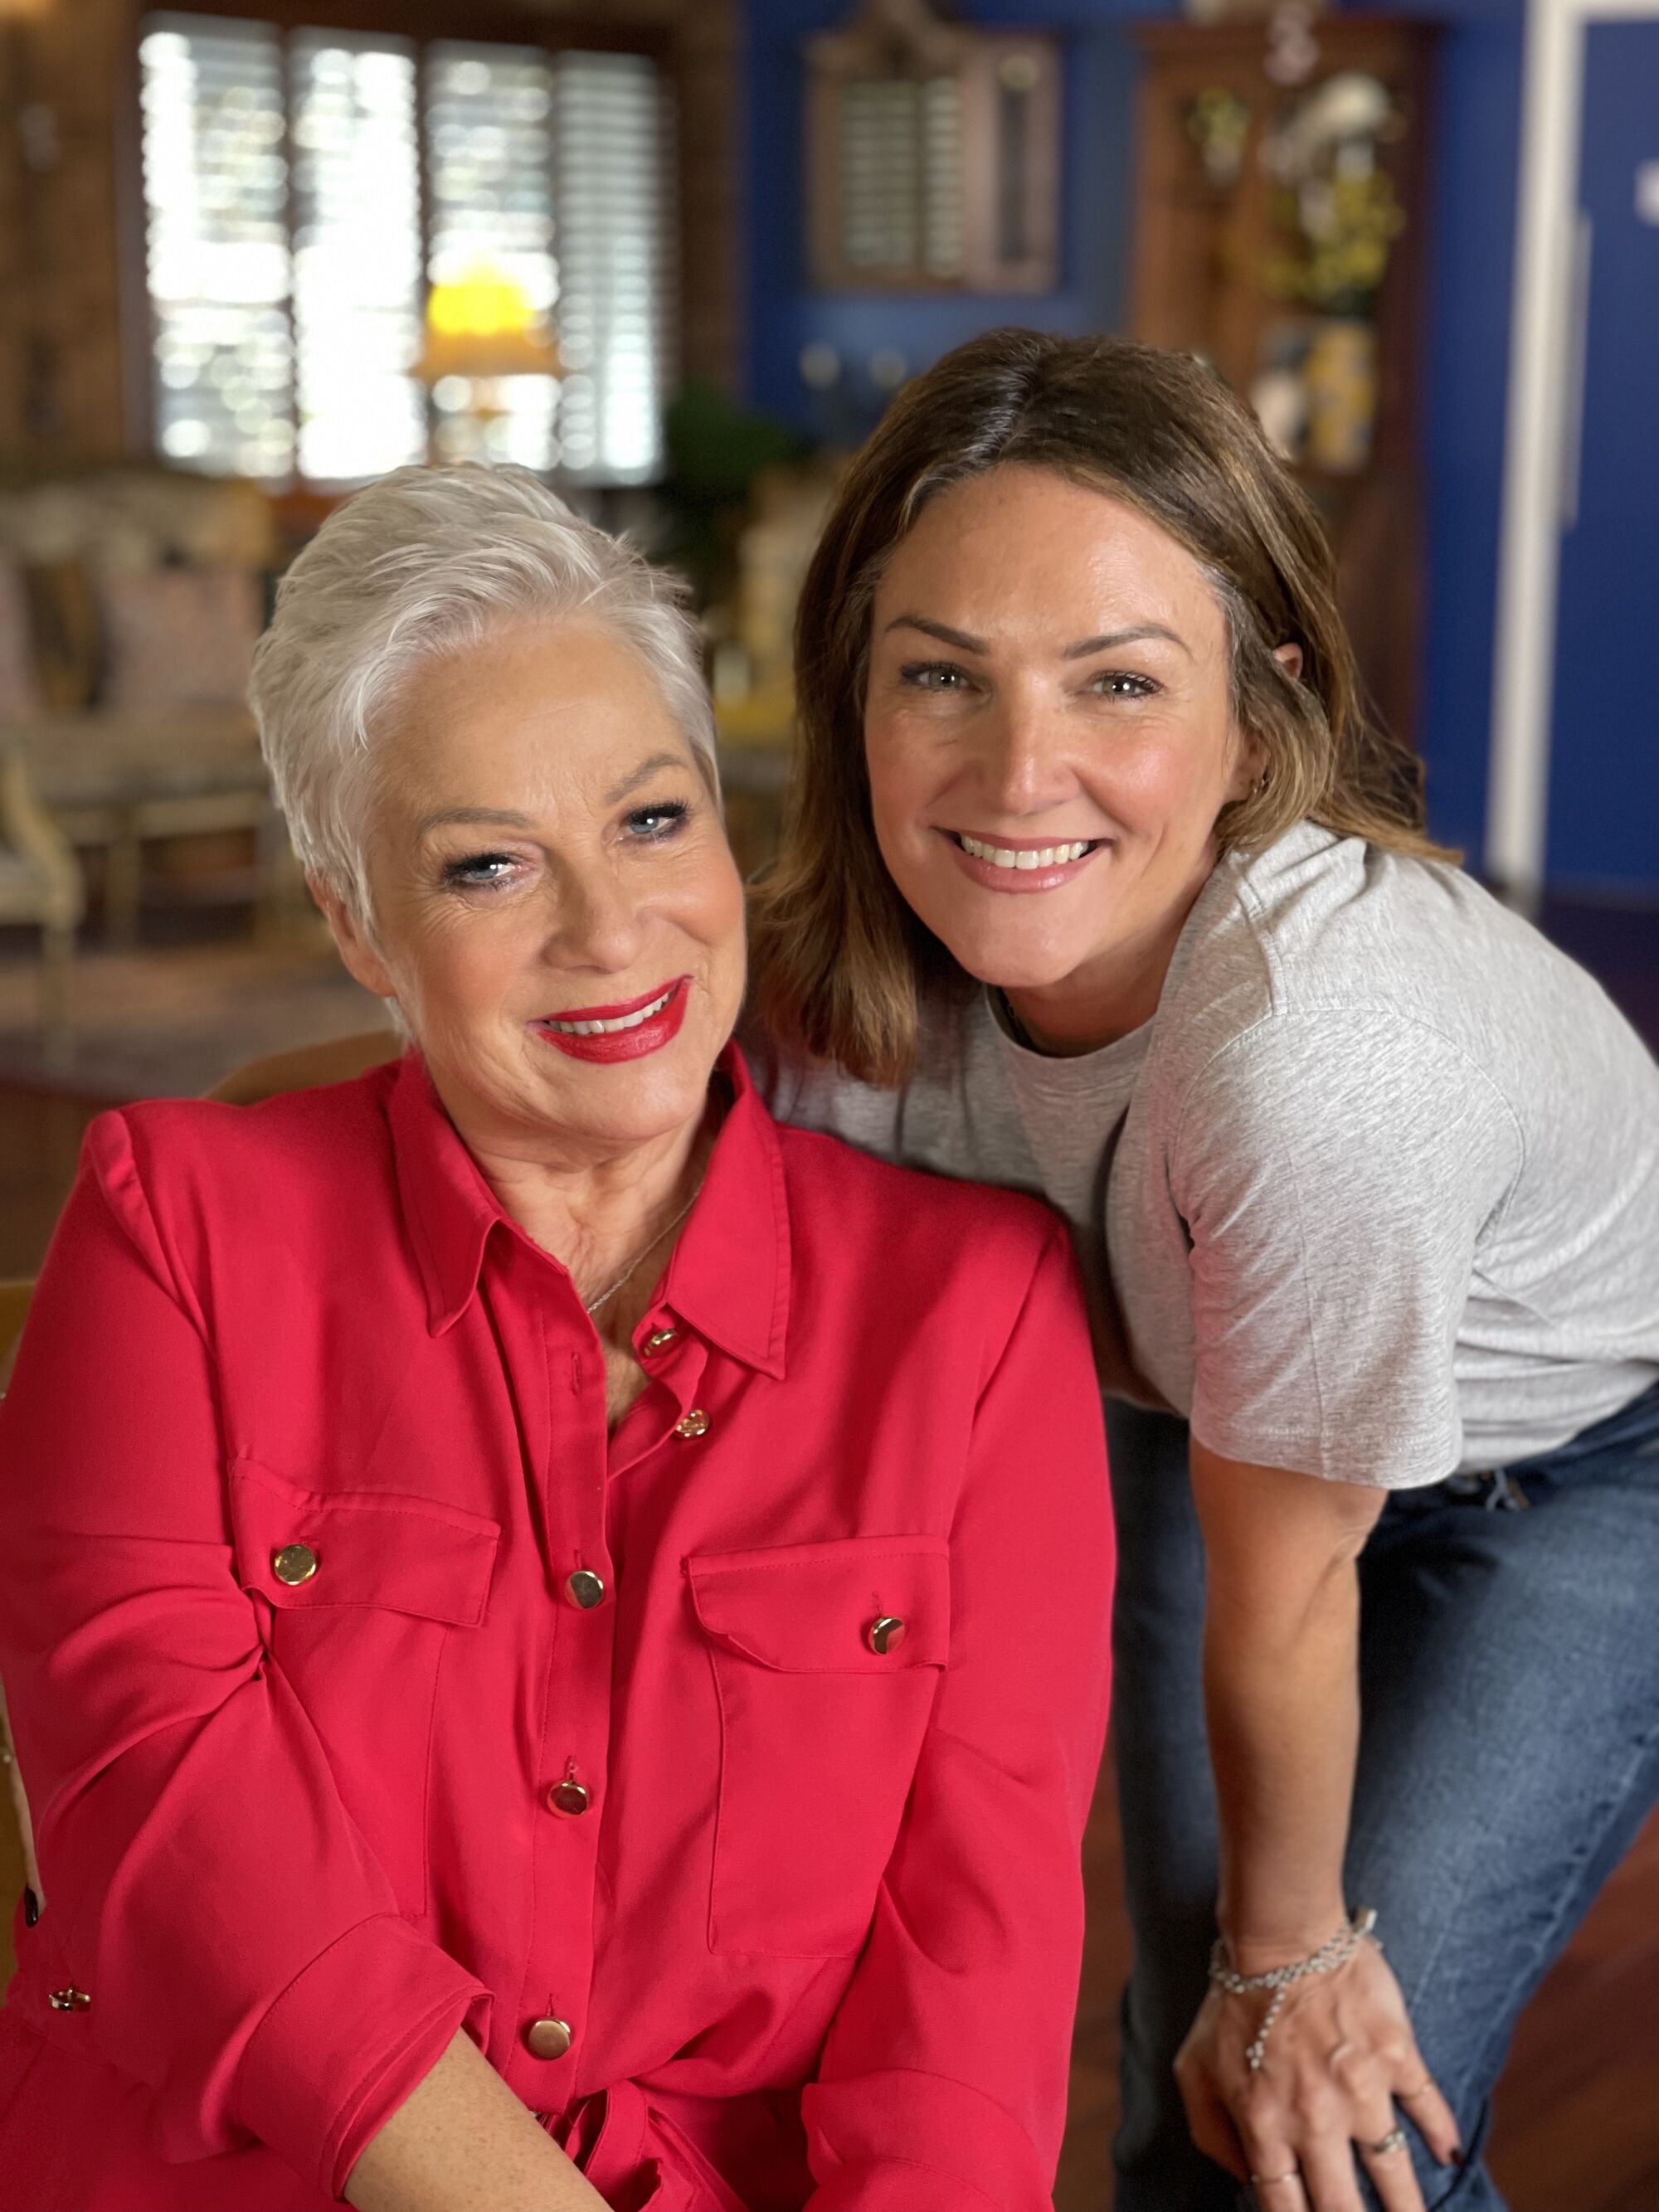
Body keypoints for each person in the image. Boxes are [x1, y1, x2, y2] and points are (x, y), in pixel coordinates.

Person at [0, 465, 1113, 2212]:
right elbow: (158, 1797)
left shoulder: (971, 1314)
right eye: (486, 863)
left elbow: (970, 1960)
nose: (608, 931)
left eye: (651, 821)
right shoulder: (176, 1226)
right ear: (355, 918)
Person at [743, 329, 1659, 2212]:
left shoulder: (1318, 1055)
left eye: (1117, 682)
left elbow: (1297, 1565)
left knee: (1319, 2124)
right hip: (1194, 1410)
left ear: (1258, 715)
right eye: (941, 676)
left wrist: (1293, 1953)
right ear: (850, 695)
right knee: (1190, 2105)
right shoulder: (835, 982)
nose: (1020, 770)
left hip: (1578, 1461)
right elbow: (528, 1079)